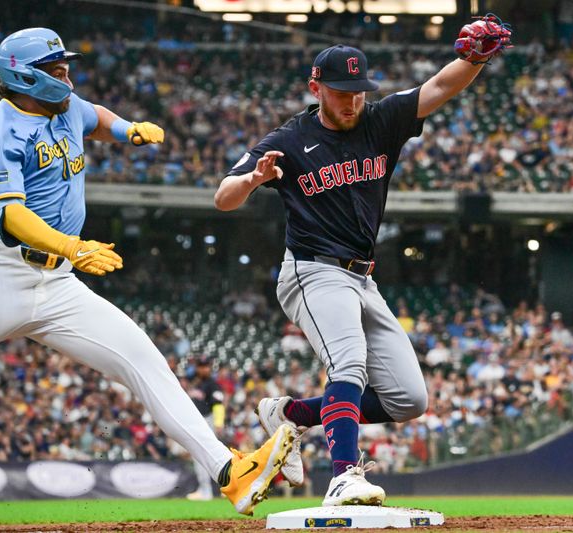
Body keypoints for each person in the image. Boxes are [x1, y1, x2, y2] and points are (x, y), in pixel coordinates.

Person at [0, 28, 293, 515]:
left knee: (143, 360)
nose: (66, 73)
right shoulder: (0, 129)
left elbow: (95, 118)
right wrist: (73, 246)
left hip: (59, 282)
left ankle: (230, 474)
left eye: (66, 64)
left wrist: (127, 129)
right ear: (22, 74)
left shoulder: (66, 107)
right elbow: (10, 215)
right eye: (54, 67)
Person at [215, 16, 511, 506]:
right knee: (348, 363)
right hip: (312, 271)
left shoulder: (379, 120)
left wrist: (474, 58)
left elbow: (439, 85)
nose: (352, 100)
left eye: (358, 91)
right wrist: (251, 181)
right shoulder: (288, 140)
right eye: (340, 91)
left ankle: (292, 415)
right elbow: (223, 197)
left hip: (362, 278)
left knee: (408, 400)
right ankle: (343, 475)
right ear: (316, 87)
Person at [185, 356, 225, 501]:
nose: (204, 368)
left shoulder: (213, 385)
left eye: (206, 366)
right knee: (200, 457)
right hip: (197, 422)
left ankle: (216, 489)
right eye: (201, 366)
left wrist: (219, 423)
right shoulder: (196, 384)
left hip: (208, 420)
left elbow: (218, 404)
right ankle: (205, 489)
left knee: (210, 455)